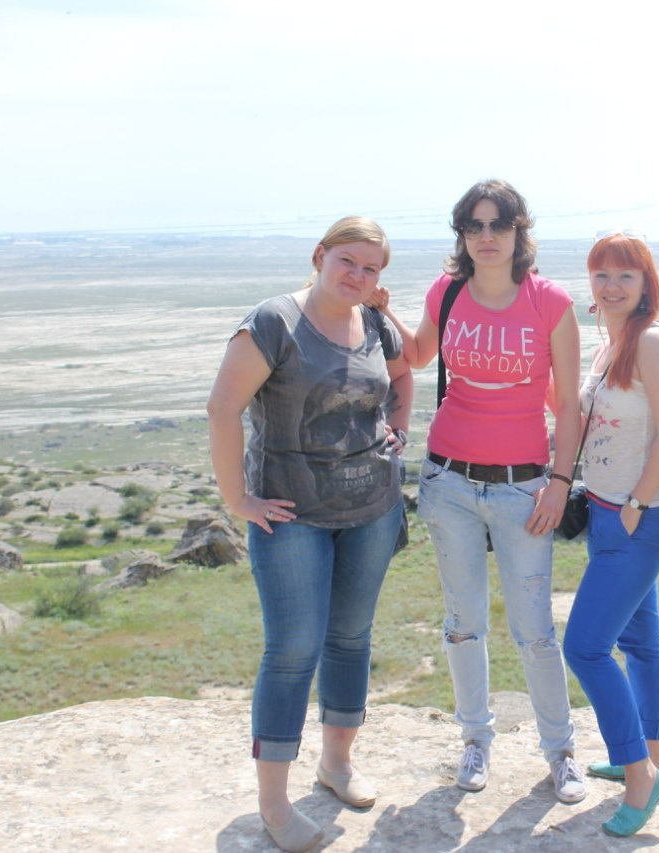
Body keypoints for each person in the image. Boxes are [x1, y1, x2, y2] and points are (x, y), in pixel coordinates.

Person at [374, 179, 585, 804]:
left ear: (520, 231)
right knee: (463, 624)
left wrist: (559, 483)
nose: (486, 236)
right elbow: (418, 355)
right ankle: (475, 740)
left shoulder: (551, 303)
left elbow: (568, 407)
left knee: (534, 630)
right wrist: (383, 311)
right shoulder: (447, 291)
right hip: (449, 482)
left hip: (525, 489)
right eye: (474, 225)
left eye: (499, 224)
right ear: (462, 234)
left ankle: (561, 753)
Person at [206, 216, 412, 852]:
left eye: (371, 268)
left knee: (350, 638)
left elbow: (404, 376)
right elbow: (222, 408)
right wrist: (237, 498)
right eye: (348, 261)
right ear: (320, 256)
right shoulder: (273, 322)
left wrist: (399, 426)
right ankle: (274, 803)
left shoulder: (373, 321)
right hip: (291, 514)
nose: (357, 275)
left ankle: (336, 765)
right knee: (293, 649)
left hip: (372, 508)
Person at [562, 231, 659, 837]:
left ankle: (640, 776)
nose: (611, 286)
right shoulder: (608, 346)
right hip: (608, 514)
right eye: (601, 275)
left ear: (645, 285)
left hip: (639, 518)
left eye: (625, 276)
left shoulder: (653, 341)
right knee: (640, 644)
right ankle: (654, 758)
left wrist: (636, 503)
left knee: (585, 647)